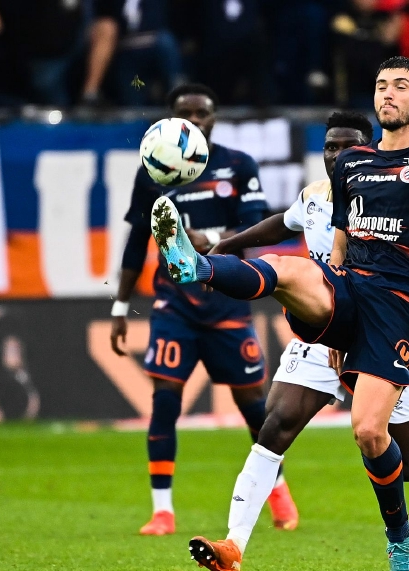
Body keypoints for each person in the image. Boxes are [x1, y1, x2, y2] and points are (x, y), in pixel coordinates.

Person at [153, 57, 409, 571]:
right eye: (381, 85)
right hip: (348, 294)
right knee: (289, 299)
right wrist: (334, 322)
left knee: (381, 442)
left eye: (401, 86)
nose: (388, 94)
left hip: (402, 309)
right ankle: (196, 266)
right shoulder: (352, 167)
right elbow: (338, 246)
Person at [110, 83, 297, 537]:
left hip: (226, 300)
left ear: (214, 118)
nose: (196, 120)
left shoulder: (238, 165)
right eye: (186, 113)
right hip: (173, 303)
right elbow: (137, 240)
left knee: (252, 404)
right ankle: (162, 510)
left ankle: (278, 491)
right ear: (171, 117)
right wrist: (120, 303)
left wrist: (210, 240)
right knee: (164, 400)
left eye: (203, 113)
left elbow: (256, 228)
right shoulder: (151, 171)